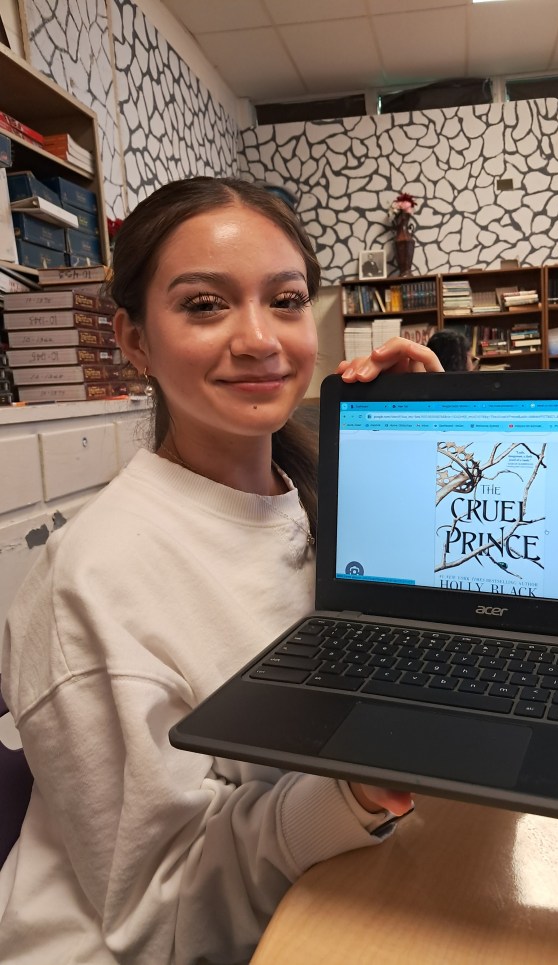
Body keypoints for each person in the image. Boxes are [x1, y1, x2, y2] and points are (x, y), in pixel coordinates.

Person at [0, 176, 443, 965]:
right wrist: (351, 793)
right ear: (134, 340)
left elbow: (412, 659)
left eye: (285, 300)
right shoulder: (92, 582)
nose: (260, 338)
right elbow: (159, 914)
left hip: (341, 883)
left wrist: (414, 458)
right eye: (205, 305)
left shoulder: (306, 497)